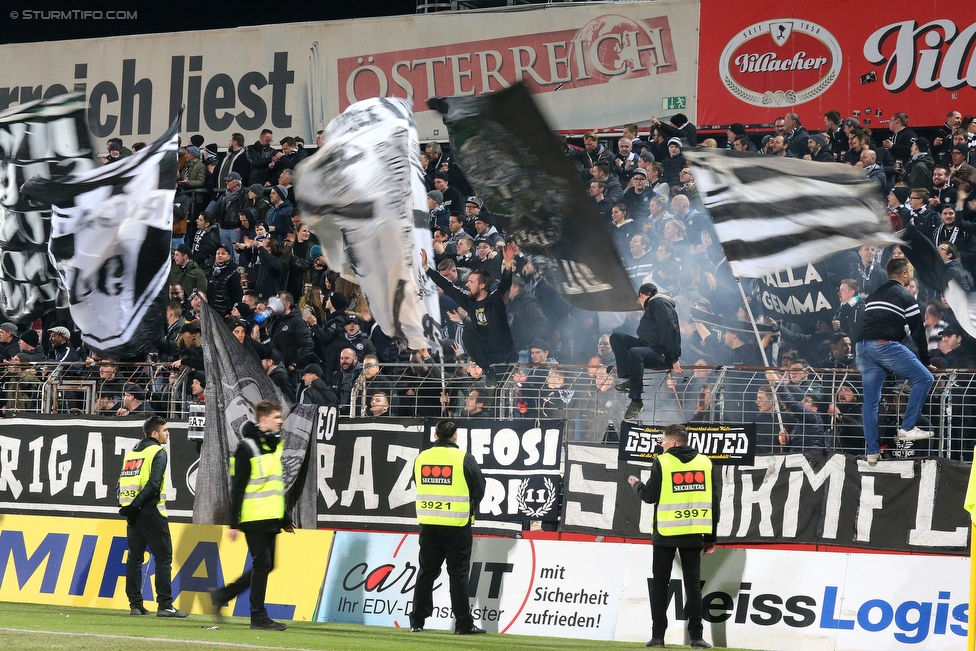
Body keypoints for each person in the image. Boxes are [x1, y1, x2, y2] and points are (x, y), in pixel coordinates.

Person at [627, 424, 716, 649]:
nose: (662, 444)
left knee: (660, 585)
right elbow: (713, 502)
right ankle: (697, 637)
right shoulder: (705, 462)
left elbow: (649, 496)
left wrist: (636, 485)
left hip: (666, 533)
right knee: (693, 586)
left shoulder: (662, 462)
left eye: (664, 441)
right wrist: (711, 537)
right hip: (694, 531)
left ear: (673, 442)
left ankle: (658, 638)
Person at [211, 400, 294, 631]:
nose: (280, 421)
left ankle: (222, 595)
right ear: (264, 419)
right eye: (277, 417)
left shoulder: (275, 445)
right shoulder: (246, 447)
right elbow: (237, 487)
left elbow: (274, 485)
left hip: (270, 516)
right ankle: (258, 616)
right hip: (253, 516)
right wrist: (234, 523)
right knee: (263, 563)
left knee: (268, 565)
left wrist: (285, 518)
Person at [409, 420, 487, 635]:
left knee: (426, 572)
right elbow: (479, 487)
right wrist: (469, 506)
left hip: (429, 523)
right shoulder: (463, 457)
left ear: (435, 434)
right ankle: (463, 624)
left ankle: (417, 621)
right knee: (458, 574)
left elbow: (418, 482)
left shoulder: (422, 457)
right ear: (455, 436)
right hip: (456, 524)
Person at [856, 258, 934, 465]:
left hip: (862, 348)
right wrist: (925, 360)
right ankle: (907, 428)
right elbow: (918, 331)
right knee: (925, 378)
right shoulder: (905, 295)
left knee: (871, 402)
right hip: (883, 345)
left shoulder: (873, 295)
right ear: (905, 274)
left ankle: (872, 451)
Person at [117, 415, 188, 618]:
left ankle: (135, 605)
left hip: (132, 513)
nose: (168, 433)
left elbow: (120, 482)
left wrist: (128, 507)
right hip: (151, 511)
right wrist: (138, 505)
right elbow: (154, 484)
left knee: (135, 558)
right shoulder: (158, 452)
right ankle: (165, 605)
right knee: (163, 558)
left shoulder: (131, 453)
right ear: (155, 433)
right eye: (165, 430)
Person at [610, 283, 682, 420]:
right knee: (617, 337)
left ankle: (636, 401)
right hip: (649, 346)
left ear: (642, 295)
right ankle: (630, 380)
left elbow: (670, 330)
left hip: (662, 353)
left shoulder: (658, 303)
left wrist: (674, 359)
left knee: (635, 352)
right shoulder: (654, 305)